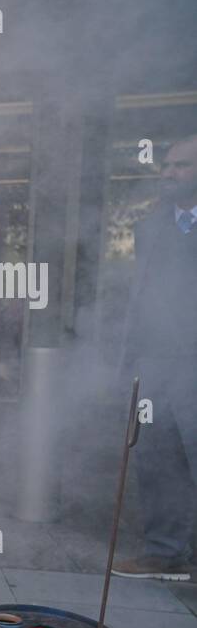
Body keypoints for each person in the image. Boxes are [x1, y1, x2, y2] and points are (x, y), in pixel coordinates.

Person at [114, 134, 197, 581]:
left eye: (181, 166)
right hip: (158, 361)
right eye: (167, 165)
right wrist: (131, 361)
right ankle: (165, 552)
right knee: (158, 457)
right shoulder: (151, 226)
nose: (168, 173)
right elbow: (139, 297)